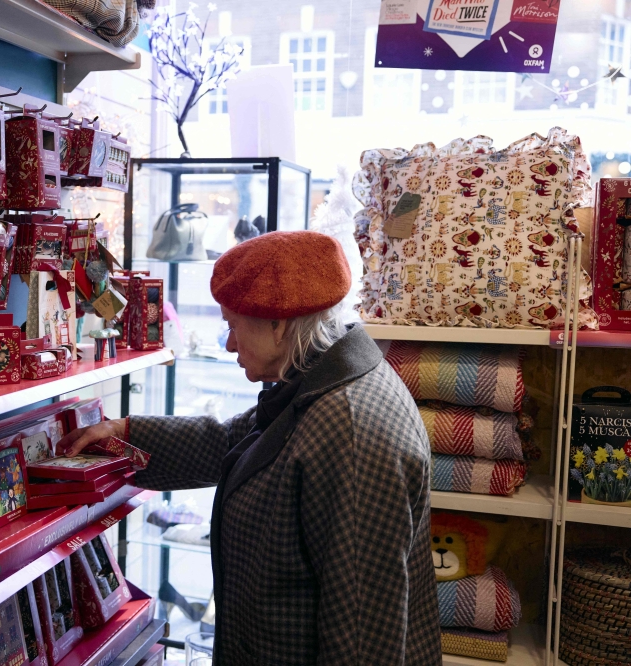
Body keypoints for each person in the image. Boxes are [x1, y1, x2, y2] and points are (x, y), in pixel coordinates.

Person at [58, 231, 442, 665]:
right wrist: (122, 434)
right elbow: (228, 442)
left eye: (234, 325)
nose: (229, 343)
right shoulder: (320, 386)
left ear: (278, 323)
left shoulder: (349, 433)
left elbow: (363, 639)